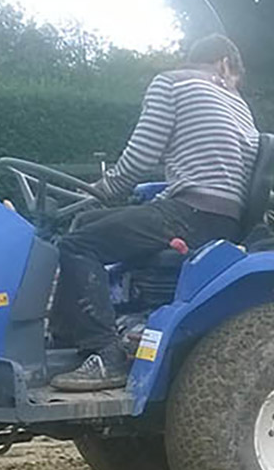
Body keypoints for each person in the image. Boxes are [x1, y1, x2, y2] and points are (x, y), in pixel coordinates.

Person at [49, 34, 260, 392]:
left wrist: (102, 190)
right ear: (225, 64)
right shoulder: (237, 103)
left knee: (76, 245)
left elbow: (141, 157)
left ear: (223, 63)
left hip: (191, 212)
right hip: (219, 215)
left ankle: (105, 354)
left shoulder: (172, 83)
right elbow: (218, 166)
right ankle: (65, 336)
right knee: (87, 223)